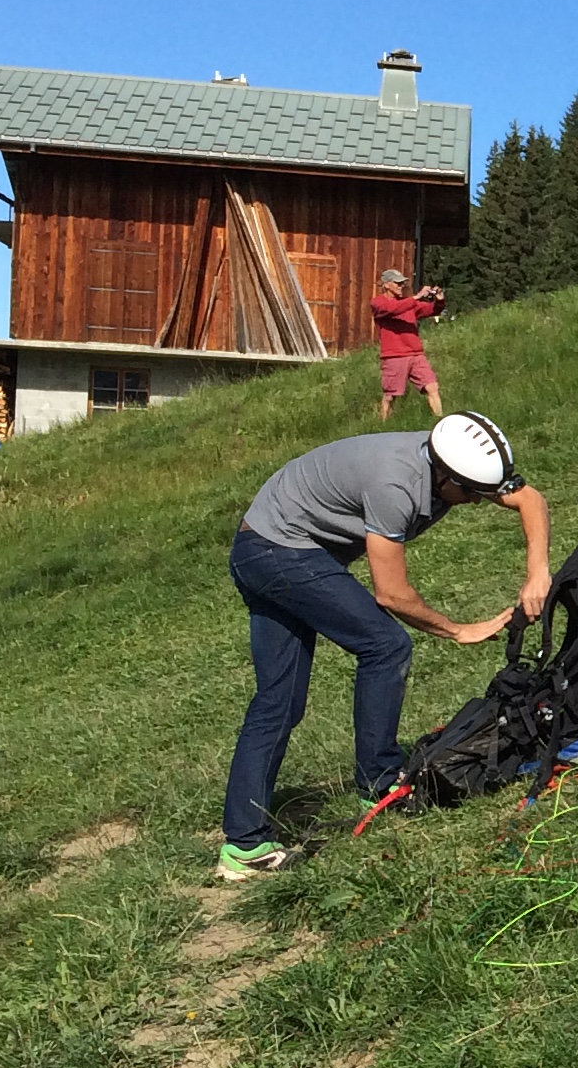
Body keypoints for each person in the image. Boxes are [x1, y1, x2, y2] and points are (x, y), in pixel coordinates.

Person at [218, 412, 550, 879]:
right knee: (385, 645)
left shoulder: (452, 464)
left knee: (279, 702)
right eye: (471, 494)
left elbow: (529, 499)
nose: (478, 503)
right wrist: (458, 630)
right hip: (275, 552)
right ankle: (377, 784)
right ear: (445, 477)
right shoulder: (394, 485)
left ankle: (243, 845)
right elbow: (391, 594)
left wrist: (538, 571)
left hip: (276, 543)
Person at [370, 268, 447, 421]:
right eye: (397, 283)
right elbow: (392, 309)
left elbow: (432, 310)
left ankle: (440, 423)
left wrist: (439, 300)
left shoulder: (408, 303)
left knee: (432, 387)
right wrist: (417, 297)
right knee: (391, 396)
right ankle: (382, 426)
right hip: (394, 356)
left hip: (416, 354)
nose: (401, 286)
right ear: (386, 285)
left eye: (402, 283)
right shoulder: (378, 302)